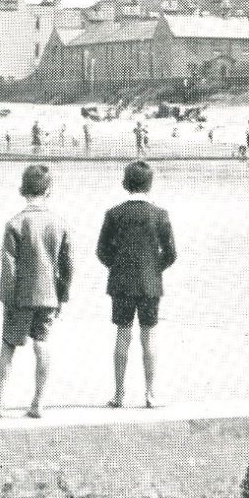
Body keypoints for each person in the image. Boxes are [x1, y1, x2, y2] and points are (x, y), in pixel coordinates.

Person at [0, 165, 73, 419]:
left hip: (20, 296)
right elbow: (67, 264)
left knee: (8, 347)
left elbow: (9, 266)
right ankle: (38, 403)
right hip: (48, 296)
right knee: (42, 345)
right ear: (48, 191)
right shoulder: (59, 223)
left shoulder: (15, 223)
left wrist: (7, 298)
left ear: (22, 190)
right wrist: (63, 295)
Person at [97, 161, 177, 409]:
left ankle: (119, 394)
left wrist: (118, 265)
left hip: (121, 283)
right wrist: (154, 269)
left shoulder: (113, 213)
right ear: (150, 185)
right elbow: (171, 253)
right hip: (150, 284)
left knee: (122, 335)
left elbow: (101, 251)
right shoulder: (160, 214)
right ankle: (150, 394)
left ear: (125, 184)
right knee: (149, 337)